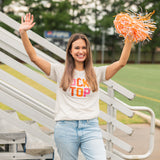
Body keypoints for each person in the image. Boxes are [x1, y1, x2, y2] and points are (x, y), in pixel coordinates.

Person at [19, 13, 133, 160]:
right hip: (65, 128)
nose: (81, 51)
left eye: (84, 48)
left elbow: (121, 63)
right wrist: (23, 33)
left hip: (90, 127)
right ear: (70, 51)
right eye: (77, 48)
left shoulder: (96, 73)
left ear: (88, 50)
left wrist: (129, 39)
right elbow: (34, 57)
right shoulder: (59, 71)